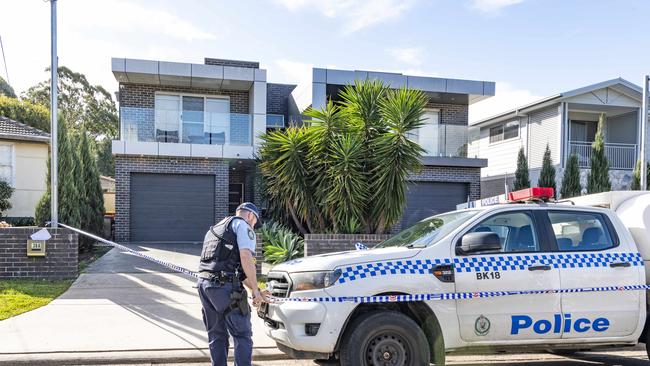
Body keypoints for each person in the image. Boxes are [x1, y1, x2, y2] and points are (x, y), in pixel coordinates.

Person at [197, 202, 269, 366]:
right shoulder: (243, 226)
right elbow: (246, 257)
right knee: (242, 334)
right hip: (225, 289)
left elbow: (234, 269)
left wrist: (256, 289)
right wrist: (256, 292)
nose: (253, 226)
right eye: (254, 222)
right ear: (251, 216)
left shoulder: (215, 229)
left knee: (216, 335)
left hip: (205, 286)